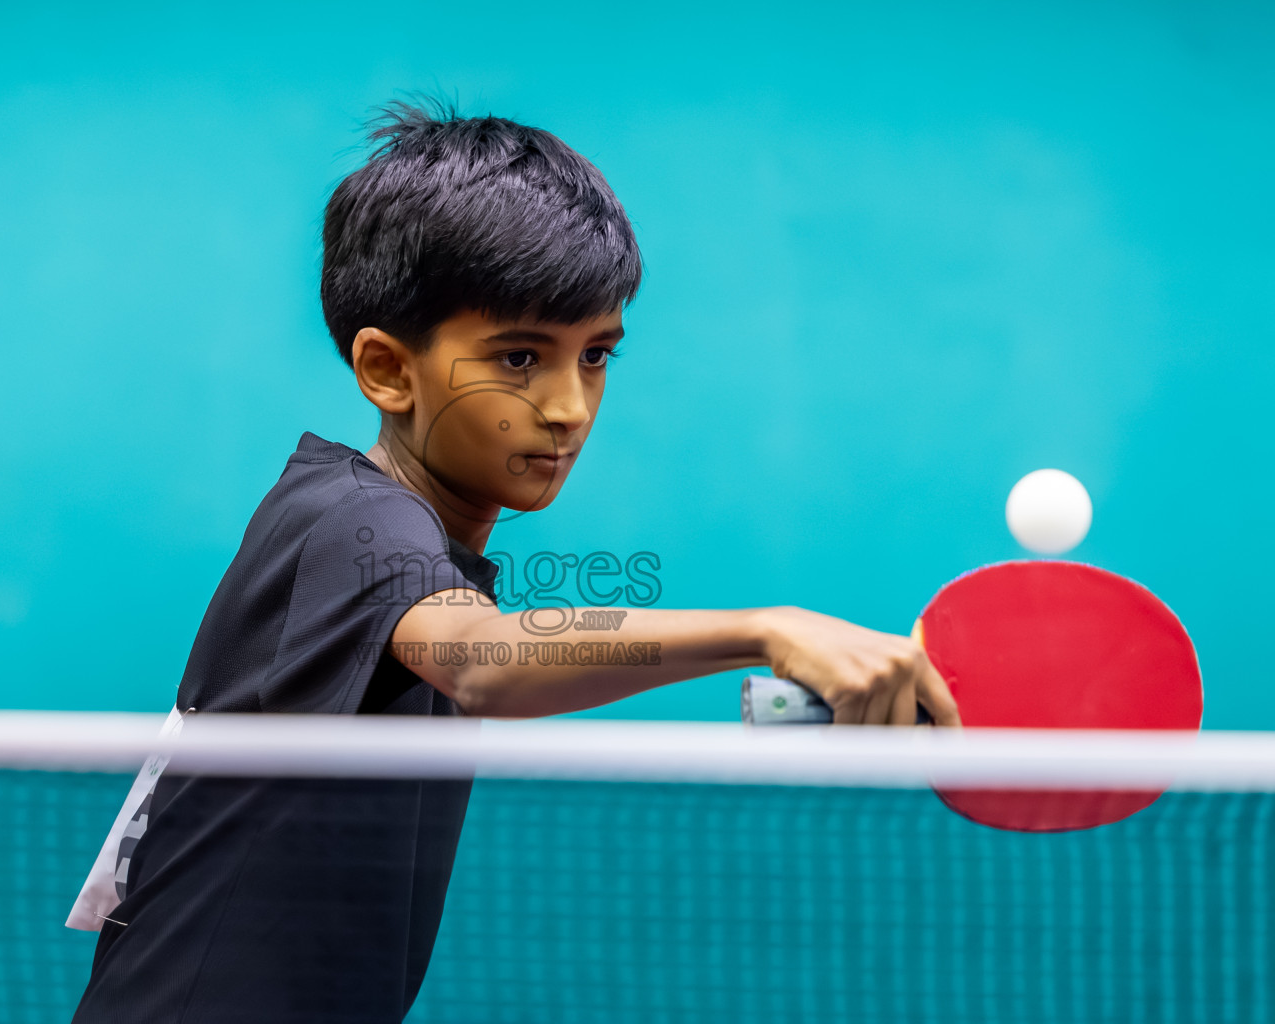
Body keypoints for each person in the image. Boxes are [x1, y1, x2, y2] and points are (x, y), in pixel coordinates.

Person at [70, 98, 960, 1024]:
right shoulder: (352, 520)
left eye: (598, 356)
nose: (571, 406)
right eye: (521, 357)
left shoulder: (385, 535)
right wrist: (767, 631)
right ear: (387, 371)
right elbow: (486, 661)